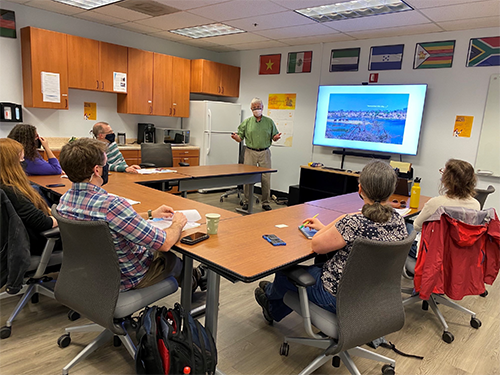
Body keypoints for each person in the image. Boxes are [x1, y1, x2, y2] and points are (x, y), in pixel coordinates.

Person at [254, 160, 408, 324]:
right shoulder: (399, 221)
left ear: (360, 189)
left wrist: (341, 219)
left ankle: (271, 303)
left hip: (338, 296)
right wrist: (331, 226)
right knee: (319, 265)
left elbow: (317, 245)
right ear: (391, 190)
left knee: (285, 272)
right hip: (372, 294)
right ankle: (272, 295)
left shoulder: (353, 222)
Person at [56, 138, 201, 291]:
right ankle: (197, 284)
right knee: (170, 258)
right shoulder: (111, 205)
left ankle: (197, 278)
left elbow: (116, 219)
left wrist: (151, 214)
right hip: (127, 278)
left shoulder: (65, 201)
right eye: (106, 164)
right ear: (96, 170)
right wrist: (177, 223)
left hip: (93, 273)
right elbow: (164, 243)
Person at [0, 138, 58, 255]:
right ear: (12, 164)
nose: (24, 162)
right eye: (22, 159)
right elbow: (42, 223)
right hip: (35, 244)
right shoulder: (11, 191)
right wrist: (65, 219)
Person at [231, 98, 281, 211]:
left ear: (262, 108)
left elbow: (274, 137)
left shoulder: (269, 122)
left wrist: (276, 138)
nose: (256, 110)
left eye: (258, 107)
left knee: (266, 178)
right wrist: (235, 137)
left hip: (264, 152)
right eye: (254, 108)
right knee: (248, 177)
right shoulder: (247, 122)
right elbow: (240, 138)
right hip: (250, 151)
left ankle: (266, 202)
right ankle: (247, 202)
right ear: (251, 109)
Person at [413, 159, 480, 232]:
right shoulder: (475, 205)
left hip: (436, 242)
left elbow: (417, 226)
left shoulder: (435, 203)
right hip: (462, 243)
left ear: (447, 179)